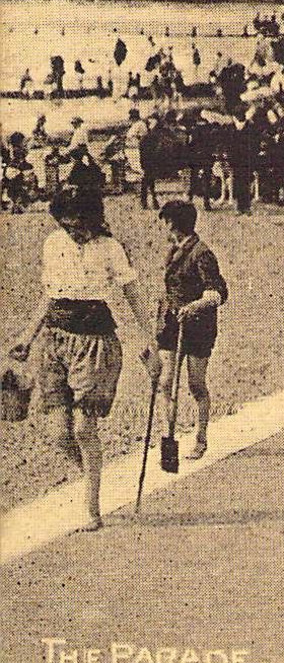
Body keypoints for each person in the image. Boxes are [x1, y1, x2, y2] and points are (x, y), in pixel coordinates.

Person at [8, 186, 158, 531]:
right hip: (54, 342)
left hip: (95, 343)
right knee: (59, 433)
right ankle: (94, 475)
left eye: (78, 225)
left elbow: (132, 299)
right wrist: (27, 337)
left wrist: (147, 345)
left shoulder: (110, 249)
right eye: (66, 225)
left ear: (93, 218)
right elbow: (50, 295)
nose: (73, 232)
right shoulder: (53, 243)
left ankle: (92, 508)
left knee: (83, 428)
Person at [154, 200, 228, 461]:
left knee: (196, 385)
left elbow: (217, 293)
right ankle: (168, 437)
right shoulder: (172, 250)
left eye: (166, 221)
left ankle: (201, 438)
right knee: (165, 382)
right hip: (171, 325)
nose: (163, 226)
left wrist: (195, 306)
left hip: (197, 327)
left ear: (174, 224)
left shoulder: (202, 253)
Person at [223, 110, 258, 216]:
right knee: (243, 184)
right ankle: (244, 206)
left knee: (242, 183)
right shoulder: (247, 128)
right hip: (242, 160)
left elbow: (228, 146)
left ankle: (242, 207)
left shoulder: (234, 129)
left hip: (242, 161)